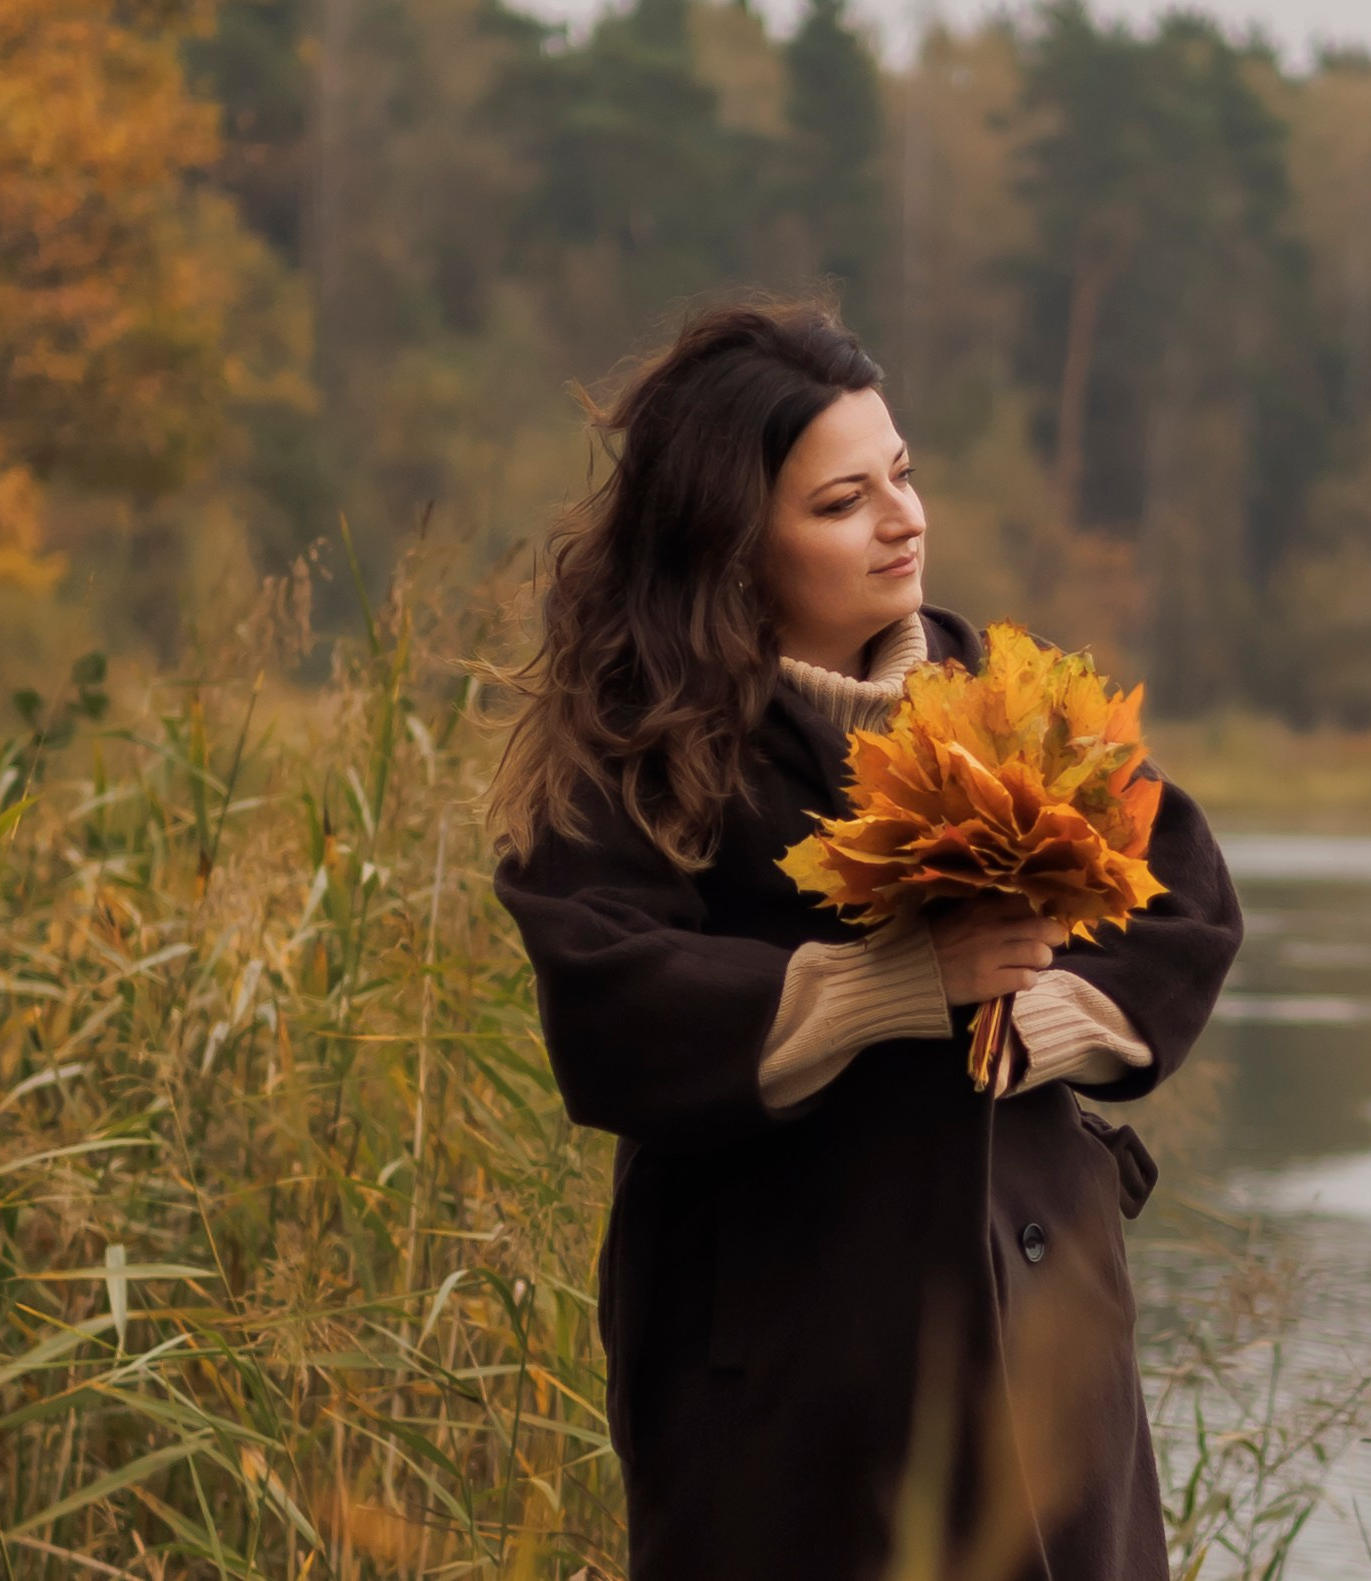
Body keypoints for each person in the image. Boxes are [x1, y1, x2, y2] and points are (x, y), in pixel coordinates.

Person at [485, 298, 1243, 1581]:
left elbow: (1185, 898)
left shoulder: (1007, 699)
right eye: (841, 503)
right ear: (730, 545)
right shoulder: (644, 748)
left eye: (900, 473)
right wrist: (886, 987)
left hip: (1038, 1313)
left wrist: (1065, 1015)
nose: (904, 519)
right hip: (787, 1358)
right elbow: (609, 1006)